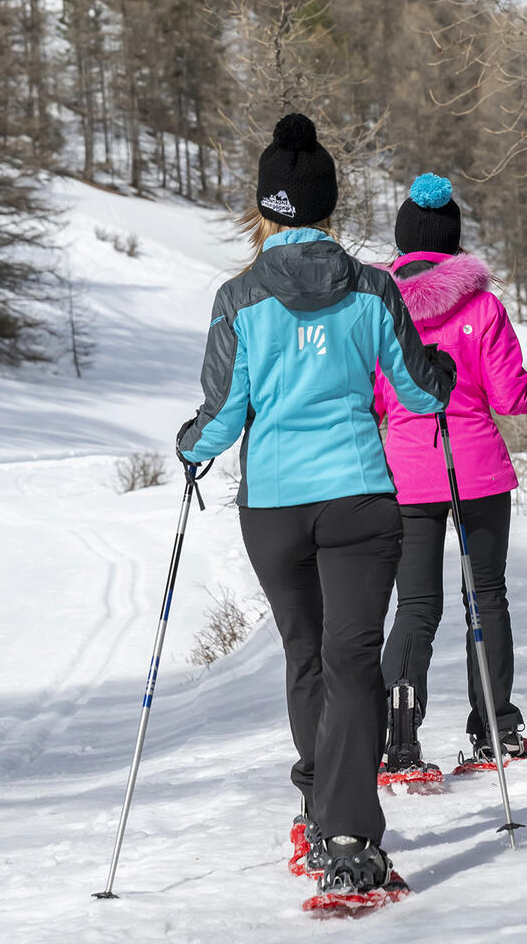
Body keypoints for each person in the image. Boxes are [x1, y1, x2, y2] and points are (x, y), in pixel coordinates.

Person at [176, 116, 456, 899]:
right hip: (360, 498)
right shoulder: (374, 289)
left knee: (306, 654)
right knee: (352, 660)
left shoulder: (238, 298)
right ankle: (348, 836)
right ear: (329, 204)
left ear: (265, 208)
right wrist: (438, 370)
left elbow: (221, 418)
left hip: (274, 508)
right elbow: (418, 392)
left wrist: (190, 444)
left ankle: (316, 806)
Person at [373, 173, 527, 777]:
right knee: (486, 595)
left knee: (415, 605)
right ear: (453, 242)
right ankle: (495, 730)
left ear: (403, 243)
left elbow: (370, 400)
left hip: (407, 474)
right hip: (477, 470)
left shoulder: (377, 309)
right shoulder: (483, 307)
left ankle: (399, 740)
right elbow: (508, 395)